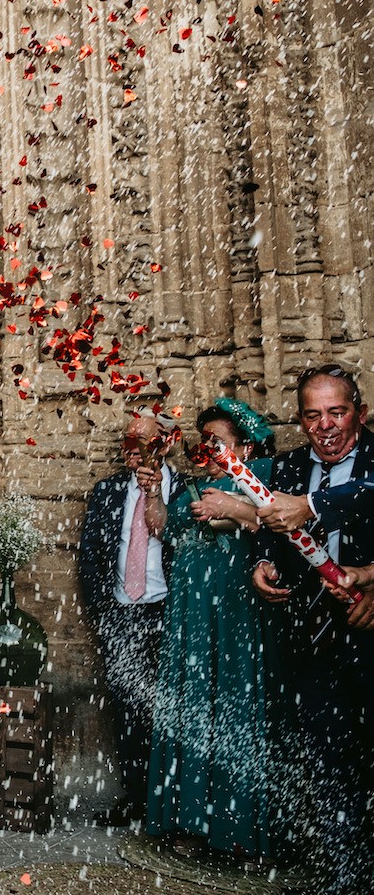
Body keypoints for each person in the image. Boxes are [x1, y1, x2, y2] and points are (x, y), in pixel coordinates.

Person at [250, 364, 374, 893]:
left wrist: (312, 506)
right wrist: (261, 562)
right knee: (326, 760)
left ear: (360, 413)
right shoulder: (289, 465)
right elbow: (269, 524)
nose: (325, 425)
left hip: (369, 633)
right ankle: (343, 875)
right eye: (312, 414)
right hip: (313, 638)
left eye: (336, 412)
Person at [145, 400, 287, 861]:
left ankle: (235, 827)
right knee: (191, 705)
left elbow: (273, 523)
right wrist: (152, 492)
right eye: (202, 442)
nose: (205, 450)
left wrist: (232, 509)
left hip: (234, 609)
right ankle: (190, 820)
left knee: (231, 703)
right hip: (190, 612)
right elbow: (162, 528)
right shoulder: (192, 484)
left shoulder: (260, 473)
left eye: (217, 442)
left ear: (245, 446)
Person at [77, 409, 180, 827]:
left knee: (171, 709)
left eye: (143, 442)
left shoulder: (186, 491)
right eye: (128, 442)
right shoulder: (108, 491)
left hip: (170, 612)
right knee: (127, 711)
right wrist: (103, 614)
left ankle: (170, 806)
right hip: (121, 613)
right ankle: (135, 800)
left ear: (166, 444)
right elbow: (90, 557)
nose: (133, 450)